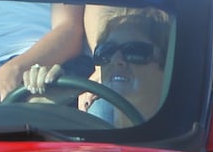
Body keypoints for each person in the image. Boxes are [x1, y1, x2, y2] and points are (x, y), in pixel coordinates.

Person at [20, 8, 170, 126]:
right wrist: (39, 106)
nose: (116, 60)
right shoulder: (86, 134)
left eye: (133, 51)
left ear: (168, 61)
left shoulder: (187, 139)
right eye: (106, 51)